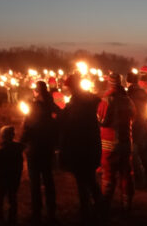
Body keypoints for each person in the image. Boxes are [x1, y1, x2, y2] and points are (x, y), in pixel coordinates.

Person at [59, 75, 103, 225]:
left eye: (68, 87)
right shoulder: (87, 101)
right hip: (90, 146)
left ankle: (88, 211)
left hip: (80, 148)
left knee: (83, 180)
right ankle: (99, 206)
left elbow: (71, 125)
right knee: (90, 179)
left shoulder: (77, 104)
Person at [21, 80, 59, 225]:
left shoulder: (34, 106)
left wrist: (21, 142)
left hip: (35, 148)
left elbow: (28, 127)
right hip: (47, 147)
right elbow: (60, 116)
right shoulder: (51, 105)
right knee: (48, 179)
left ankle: (37, 213)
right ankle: (51, 212)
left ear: (36, 92)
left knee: (35, 182)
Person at [97, 72, 135, 214]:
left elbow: (101, 120)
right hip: (126, 142)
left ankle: (105, 205)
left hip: (110, 143)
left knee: (108, 173)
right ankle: (127, 204)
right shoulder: (128, 100)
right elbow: (134, 117)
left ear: (109, 82)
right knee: (126, 173)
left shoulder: (107, 100)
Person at [0, 125, 25, 226]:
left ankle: (0, 217)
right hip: (14, 178)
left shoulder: (3, 150)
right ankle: (12, 217)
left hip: (3, 178)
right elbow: (20, 164)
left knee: (0, 198)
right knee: (12, 198)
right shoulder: (18, 150)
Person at [126, 71, 147, 188]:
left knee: (134, 153)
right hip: (144, 125)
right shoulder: (144, 93)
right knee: (145, 153)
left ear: (128, 82)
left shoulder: (129, 94)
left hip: (134, 126)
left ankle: (139, 179)